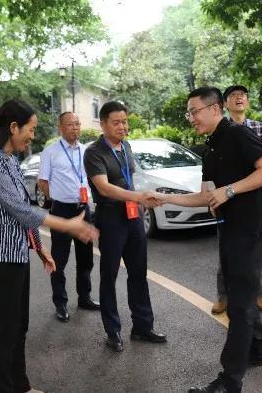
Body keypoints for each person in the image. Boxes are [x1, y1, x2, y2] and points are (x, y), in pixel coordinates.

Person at [156, 87, 262, 393]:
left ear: (214, 109)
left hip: (249, 230)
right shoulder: (210, 147)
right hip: (228, 228)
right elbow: (205, 195)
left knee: (238, 305)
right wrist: (163, 199)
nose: (191, 118)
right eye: (189, 113)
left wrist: (230, 190)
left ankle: (230, 380)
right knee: (243, 294)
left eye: (194, 111)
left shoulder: (238, 134)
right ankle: (259, 350)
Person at [0, 99, 98, 393]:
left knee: (20, 326)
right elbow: (20, 209)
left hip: (16, 254)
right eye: (30, 129)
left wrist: (40, 248)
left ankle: (22, 386)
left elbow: (24, 208)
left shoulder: (10, 160)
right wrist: (67, 224)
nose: (32, 135)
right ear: (13, 127)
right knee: (6, 330)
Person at [83, 101, 166, 353]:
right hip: (110, 218)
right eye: (116, 122)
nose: (123, 127)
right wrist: (138, 197)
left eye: (125, 121)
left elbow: (129, 178)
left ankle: (142, 326)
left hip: (133, 217)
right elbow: (104, 187)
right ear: (103, 123)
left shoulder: (126, 146)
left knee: (139, 272)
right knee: (109, 274)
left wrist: (138, 201)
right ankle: (113, 331)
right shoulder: (94, 152)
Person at [208, 84, 262, 315]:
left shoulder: (259, 128)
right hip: (227, 198)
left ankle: (257, 293)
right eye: (233, 96)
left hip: (251, 195)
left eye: (242, 95)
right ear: (225, 104)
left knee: (254, 250)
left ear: (248, 101)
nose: (238, 99)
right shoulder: (221, 130)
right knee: (226, 249)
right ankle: (223, 296)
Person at [38, 112, 100, 322]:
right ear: (60, 128)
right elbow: (43, 182)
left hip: (83, 209)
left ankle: (85, 297)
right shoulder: (50, 152)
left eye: (77, 124)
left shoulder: (86, 151)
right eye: (70, 125)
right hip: (61, 210)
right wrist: (53, 200)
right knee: (59, 259)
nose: (75, 128)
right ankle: (60, 303)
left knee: (86, 258)